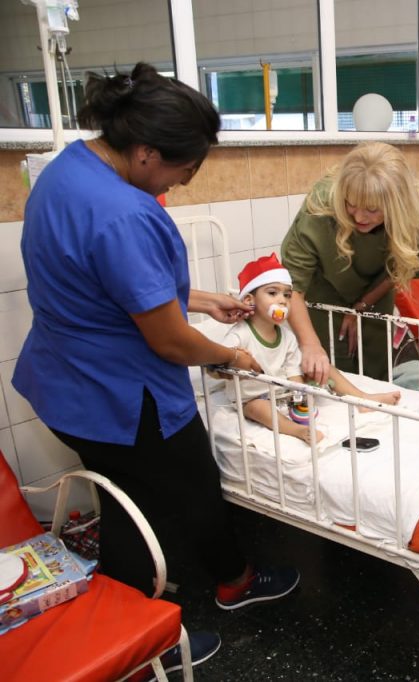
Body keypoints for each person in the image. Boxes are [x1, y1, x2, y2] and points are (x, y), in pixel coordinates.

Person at [11, 63, 300, 673]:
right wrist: (231, 354)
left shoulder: (65, 172)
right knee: (187, 487)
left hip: (61, 383)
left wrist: (203, 299)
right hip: (119, 395)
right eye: (183, 169)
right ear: (146, 152)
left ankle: (131, 621)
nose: (185, 182)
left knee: (123, 496)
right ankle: (218, 593)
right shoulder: (126, 213)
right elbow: (168, 342)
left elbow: (105, 283)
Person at [281, 142, 419, 385]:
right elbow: (292, 287)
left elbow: (399, 268)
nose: (360, 217)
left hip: (376, 292)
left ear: (397, 204)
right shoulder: (321, 206)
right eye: (350, 204)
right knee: (328, 371)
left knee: (375, 368)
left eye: (373, 209)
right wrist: (310, 345)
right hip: (322, 295)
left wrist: (363, 305)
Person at [222, 253, 400, 444]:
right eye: (272, 293)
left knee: (322, 366)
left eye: (287, 295)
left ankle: (362, 399)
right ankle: (296, 430)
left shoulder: (286, 336)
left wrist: (299, 395)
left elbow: (292, 370)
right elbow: (217, 364)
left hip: (282, 390)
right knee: (258, 408)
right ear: (249, 300)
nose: (282, 300)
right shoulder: (240, 335)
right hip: (253, 396)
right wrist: (234, 357)